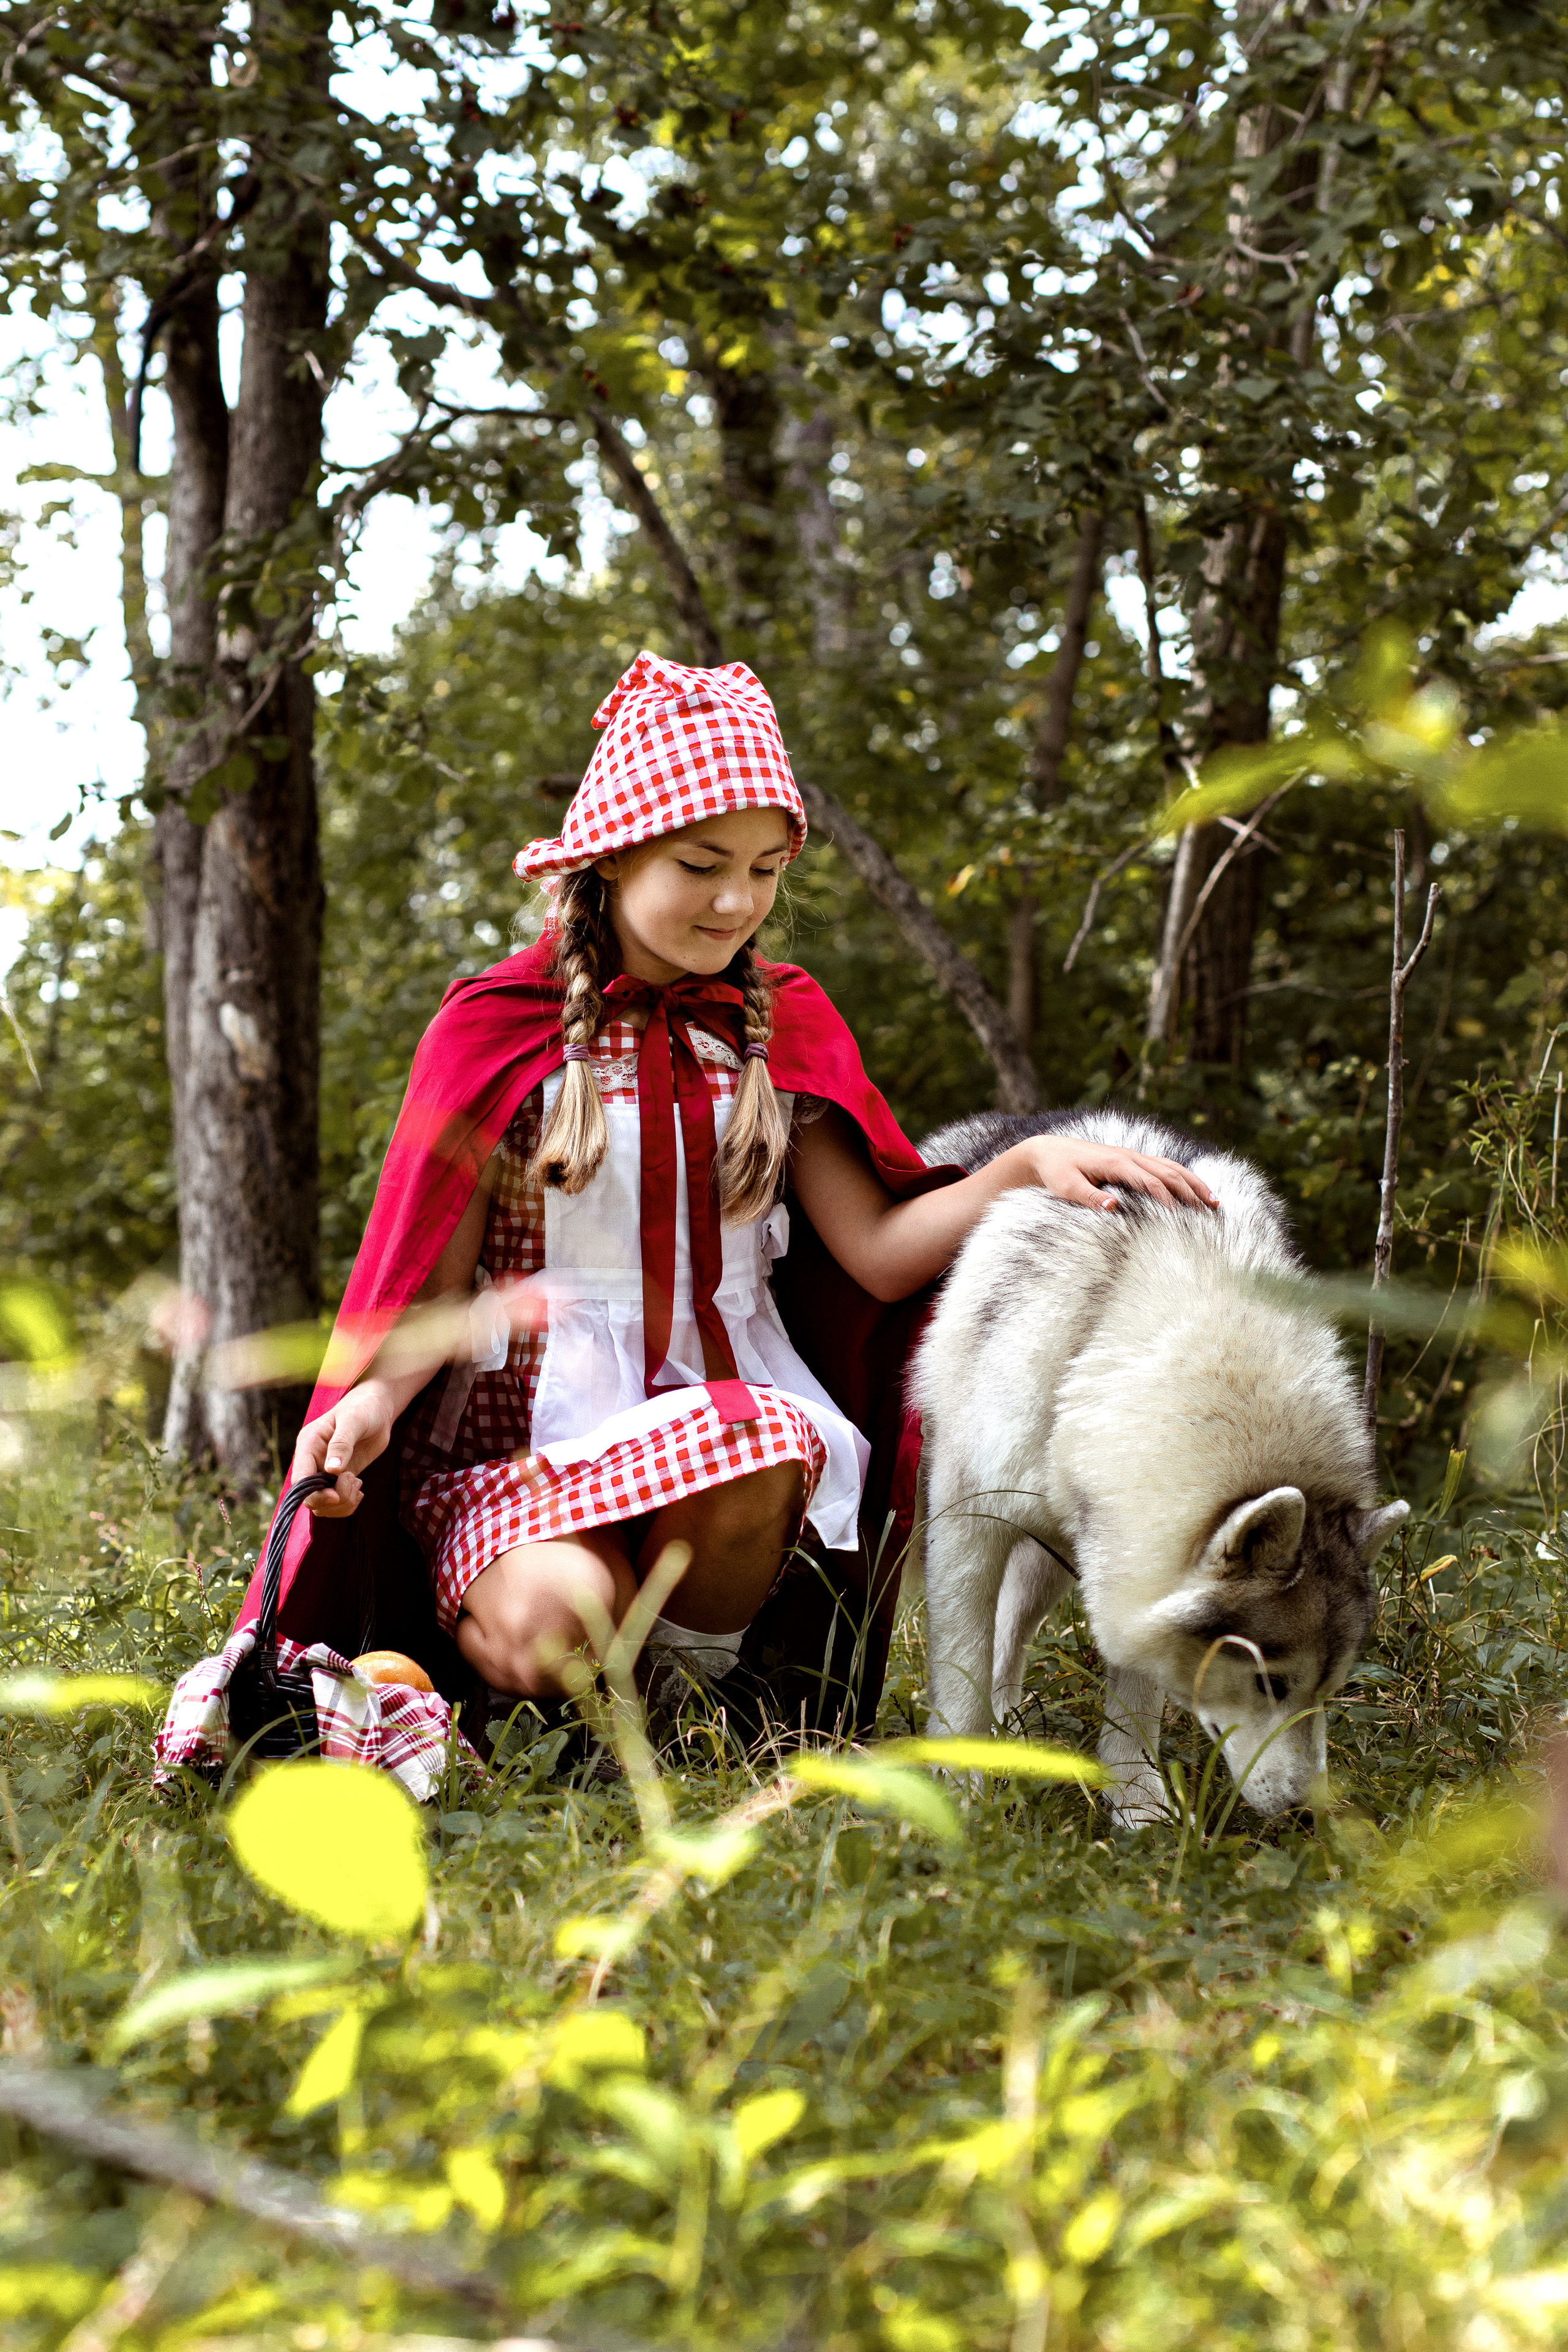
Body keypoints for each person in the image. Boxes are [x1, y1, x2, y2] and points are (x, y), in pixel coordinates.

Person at [243, 654, 1215, 1727]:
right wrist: (374, 1396)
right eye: (703, 863)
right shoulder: (497, 1024)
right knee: (553, 1627)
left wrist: (1021, 1169)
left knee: (755, 1436)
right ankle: (534, 1693)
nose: (735, 900)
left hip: (726, 1451)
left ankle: (672, 1714)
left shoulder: (775, 1022)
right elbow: (433, 1275)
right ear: (612, 857)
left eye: (763, 869)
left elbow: (881, 1252)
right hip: (527, 1439)